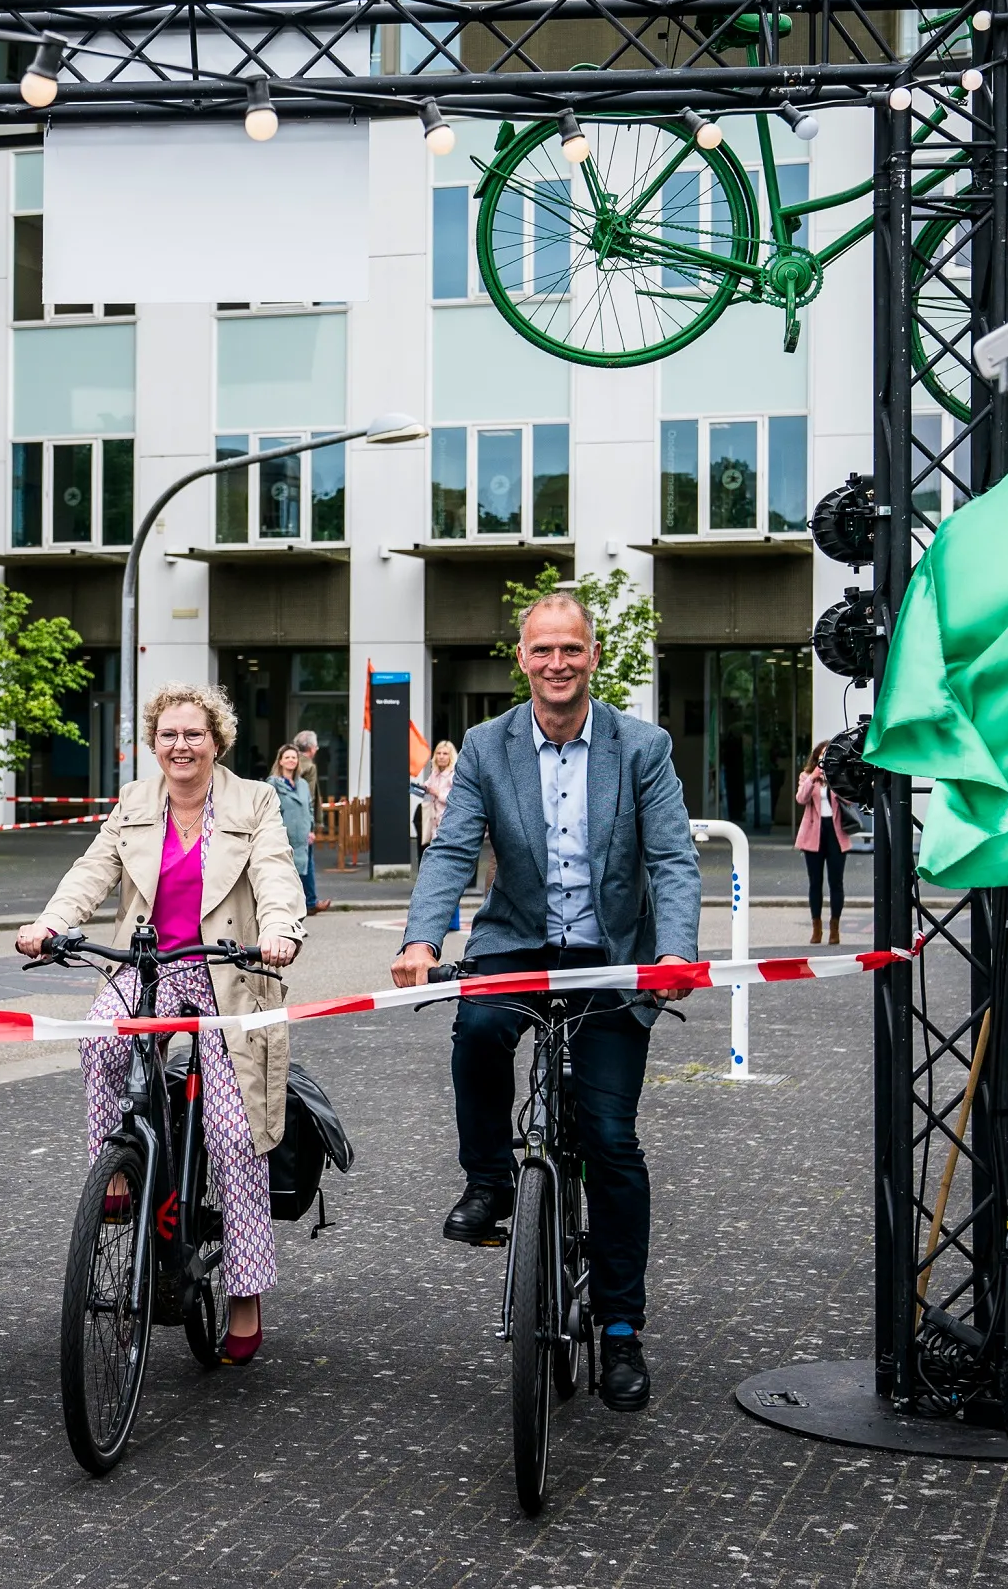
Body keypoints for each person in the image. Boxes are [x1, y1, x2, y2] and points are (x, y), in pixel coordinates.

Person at [393, 592, 700, 1413]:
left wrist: (674, 953)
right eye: (542, 651)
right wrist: (421, 940)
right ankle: (490, 1181)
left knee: (609, 1139)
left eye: (572, 649)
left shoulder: (642, 747)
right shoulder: (490, 750)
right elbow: (454, 848)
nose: (556, 663)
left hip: (612, 958)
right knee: (478, 1028)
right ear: (521, 659)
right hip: (519, 942)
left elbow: (672, 859)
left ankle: (623, 1329)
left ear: (592, 657)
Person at [18, 683, 305, 1363]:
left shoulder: (253, 801)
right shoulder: (135, 803)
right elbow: (94, 870)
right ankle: (116, 1175)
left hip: (228, 971)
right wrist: (52, 924)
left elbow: (273, 872)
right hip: (151, 966)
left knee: (236, 1138)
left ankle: (244, 1292)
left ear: (217, 741)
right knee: (100, 1044)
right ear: (154, 744)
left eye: (194, 734)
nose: (181, 746)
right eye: (169, 735)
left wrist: (281, 929)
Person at [793, 740, 850, 947]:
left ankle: (834, 928)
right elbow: (801, 798)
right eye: (821, 756)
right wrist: (814, 777)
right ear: (816, 758)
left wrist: (835, 778)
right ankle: (816, 927)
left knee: (836, 882)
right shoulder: (806, 776)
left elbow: (850, 800)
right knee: (815, 882)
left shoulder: (838, 775)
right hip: (813, 833)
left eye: (828, 755)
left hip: (835, 833)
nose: (824, 760)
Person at [269, 743, 319, 918]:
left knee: (300, 880)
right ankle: (287, 919)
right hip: (284, 839)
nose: (291, 760)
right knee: (285, 882)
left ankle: (298, 918)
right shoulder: (272, 784)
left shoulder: (303, 784)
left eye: (294, 758)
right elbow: (270, 811)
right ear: (280, 761)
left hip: (303, 839)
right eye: (287, 757)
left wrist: (311, 829)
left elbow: (309, 808)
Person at [290, 728, 332, 912]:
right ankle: (310, 901)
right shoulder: (309, 766)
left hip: (289, 819)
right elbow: (310, 797)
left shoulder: (288, 762)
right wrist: (313, 824)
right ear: (313, 748)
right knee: (306, 861)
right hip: (302, 821)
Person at [418, 738, 459, 847]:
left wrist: (437, 793)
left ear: (451, 756)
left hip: (449, 825)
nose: (441, 756)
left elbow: (457, 799)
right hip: (435, 823)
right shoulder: (435, 773)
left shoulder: (454, 775)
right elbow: (428, 785)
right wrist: (423, 788)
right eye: (438, 753)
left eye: (445, 753)